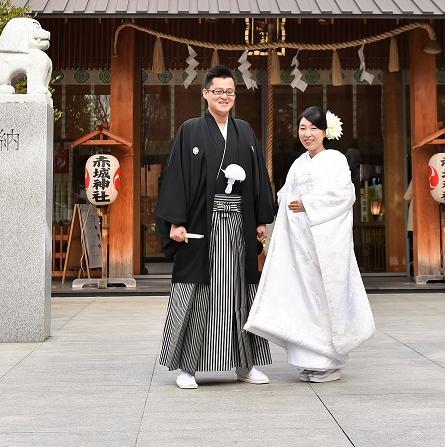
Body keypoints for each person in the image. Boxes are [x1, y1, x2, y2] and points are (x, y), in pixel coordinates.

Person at [155, 65, 276, 389]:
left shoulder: (245, 131)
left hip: (238, 223)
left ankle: (245, 364)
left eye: (230, 92)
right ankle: (187, 368)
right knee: (197, 292)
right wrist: (175, 222)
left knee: (240, 292)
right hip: (201, 225)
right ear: (206, 93)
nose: (224, 97)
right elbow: (177, 176)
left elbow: (257, 178)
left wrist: (261, 220)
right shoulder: (191, 130)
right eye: (218, 91)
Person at [245, 106, 375, 383]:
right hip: (301, 243)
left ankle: (329, 361)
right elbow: (285, 194)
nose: (307, 134)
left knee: (325, 299)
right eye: (302, 128)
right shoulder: (299, 163)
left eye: (313, 129)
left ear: (324, 132)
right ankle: (309, 360)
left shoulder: (336, 159)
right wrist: (286, 206)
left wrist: (308, 204)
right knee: (303, 300)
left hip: (326, 244)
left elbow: (344, 195)